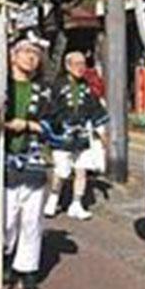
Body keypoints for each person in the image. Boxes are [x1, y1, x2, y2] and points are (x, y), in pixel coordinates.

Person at [0, 33, 54, 289]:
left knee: (31, 219)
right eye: (26, 51)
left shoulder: (45, 91)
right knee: (3, 219)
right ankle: (4, 256)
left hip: (34, 160)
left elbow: (54, 127)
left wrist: (26, 125)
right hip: (2, 159)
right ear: (12, 56)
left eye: (36, 53)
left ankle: (27, 269)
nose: (31, 57)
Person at [43, 50, 108, 220]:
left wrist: (101, 132)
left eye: (83, 64)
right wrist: (50, 129)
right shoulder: (57, 86)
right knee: (61, 171)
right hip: (62, 136)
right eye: (76, 64)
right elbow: (48, 110)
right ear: (67, 66)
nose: (80, 68)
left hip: (82, 137)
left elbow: (96, 111)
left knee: (82, 170)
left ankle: (77, 203)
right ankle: (53, 198)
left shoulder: (87, 86)